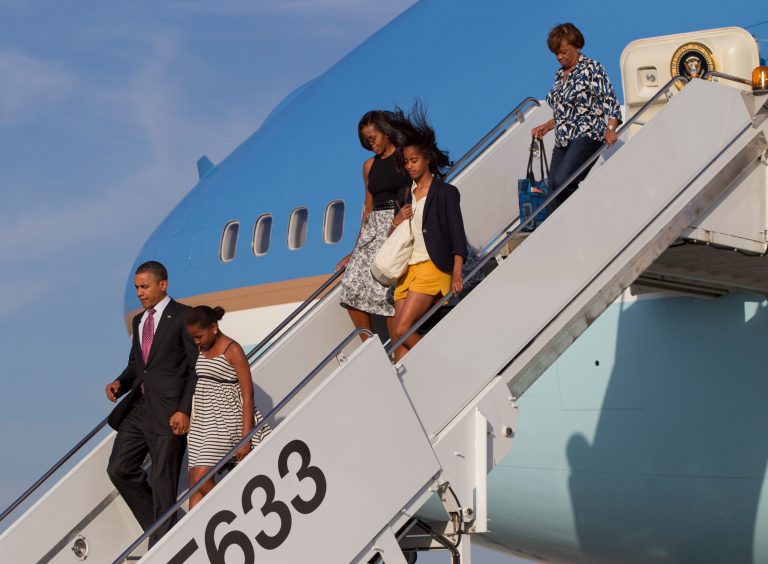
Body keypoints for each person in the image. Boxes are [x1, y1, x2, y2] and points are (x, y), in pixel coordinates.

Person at [105, 261, 197, 545]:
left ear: (163, 285)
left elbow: (196, 369)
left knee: (162, 480)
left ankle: (162, 543)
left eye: (144, 287)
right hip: (139, 407)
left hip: (170, 411)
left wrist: (184, 409)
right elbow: (137, 366)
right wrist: (120, 383)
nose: (140, 293)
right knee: (119, 468)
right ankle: (163, 529)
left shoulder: (184, 316)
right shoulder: (139, 321)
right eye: (137, 288)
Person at [389, 108, 468, 362]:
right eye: (406, 162)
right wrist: (397, 219)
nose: (409, 166)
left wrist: (457, 272)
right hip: (407, 271)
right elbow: (393, 234)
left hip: (433, 268)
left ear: (427, 159)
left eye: (414, 160)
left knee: (402, 329)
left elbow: (457, 236)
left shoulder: (446, 193)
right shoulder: (404, 194)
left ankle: (440, 362)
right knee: (398, 344)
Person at [337, 110, 414, 340]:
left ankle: (398, 350)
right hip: (375, 227)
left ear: (386, 132)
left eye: (373, 137)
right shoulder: (369, 166)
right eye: (366, 140)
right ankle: (368, 347)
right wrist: (356, 249)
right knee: (350, 285)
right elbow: (367, 208)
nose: (371, 143)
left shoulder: (405, 157)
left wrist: (402, 218)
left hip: (399, 222)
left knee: (387, 289)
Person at [185, 306, 271, 509]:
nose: (196, 342)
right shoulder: (202, 348)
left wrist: (246, 439)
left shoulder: (233, 349)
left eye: (199, 337)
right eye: (193, 338)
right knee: (193, 482)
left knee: (200, 479)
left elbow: (248, 394)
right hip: (203, 421)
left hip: (225, 419)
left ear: (213, 327)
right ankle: (194, 529)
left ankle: (236, 509)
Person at [531, 22, 622, 211]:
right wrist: (547, 126)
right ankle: (555, 231)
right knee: (553, 188)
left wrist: (611, 129)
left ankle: (576, 218)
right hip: (564, 138)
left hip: (587, 133)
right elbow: (566, 111)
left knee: (564, 181)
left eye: (563, 52)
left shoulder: (592, 68)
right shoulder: (559, 75)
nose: (559, 57)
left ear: (576, 46)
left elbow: (610, 102)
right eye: (556, 53)